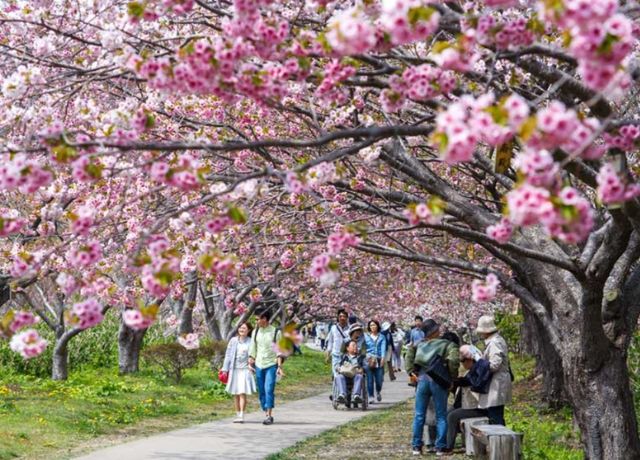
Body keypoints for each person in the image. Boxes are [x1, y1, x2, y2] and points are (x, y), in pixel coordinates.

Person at [406, 319, 459, 456]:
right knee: (441, 415)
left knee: (419, 415)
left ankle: (416, 446)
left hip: (422, 380)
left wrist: (411, 371)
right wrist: (452, 378)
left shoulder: (419, 345)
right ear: (435, 331)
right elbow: (453, 361)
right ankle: (440, 447)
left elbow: (408, 355)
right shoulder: (448, 345)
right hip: (439, 381)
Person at [445, 345, 487, 452]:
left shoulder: (477, 372)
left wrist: (461, 382)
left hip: (477, 408)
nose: (462, 363)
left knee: (452, 416)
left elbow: (473, 384)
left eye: (463, 361)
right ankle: (444, 441)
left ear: (470, 360)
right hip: (467, 405)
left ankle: (449, 446)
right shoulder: (470, 371)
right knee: (446, 414)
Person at [248, 311, 284, 425]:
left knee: (269, 389)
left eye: (258, 319)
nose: (256, 321)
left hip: (271, 365)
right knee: (261, 390)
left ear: (265, 319)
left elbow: (279, 351)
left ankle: (269, 415)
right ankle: (265, 407)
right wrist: (250, 361)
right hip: (259, 364)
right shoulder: (255, 331)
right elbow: (253, 348)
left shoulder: (275, 332)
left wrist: (279, 366)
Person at [476, 315, 512, 426]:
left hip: (497, 382)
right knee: (495, 413)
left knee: (495, 415)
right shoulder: (496, 340)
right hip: (496, 381)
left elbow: (494, 365)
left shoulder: (494, 342)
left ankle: (500, 441)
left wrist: (480, 361)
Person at [221, 322, 257, 423]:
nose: (241, 330)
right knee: (235, 393)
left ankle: (241, 415)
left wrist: (252, 364)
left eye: (244, 328)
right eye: (240, 328)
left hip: (245, 370)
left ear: (248, 330)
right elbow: (228, 355)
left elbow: (253, 355)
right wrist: (225, 369)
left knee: (242, 393)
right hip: (234, 370)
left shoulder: (251, 342)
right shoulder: (233, 340)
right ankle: (237, 414)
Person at [334, 340, 366, 404]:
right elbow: (336, 366)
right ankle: (342, 395)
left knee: (359, 376)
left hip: (355, 376)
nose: (356, 347)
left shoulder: (361, 357)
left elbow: (365, 366)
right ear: (348, 348)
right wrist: (338, 368)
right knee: (339, 376)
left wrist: (362, 369)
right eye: (353, 345)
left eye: (356, 346)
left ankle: (356, 395)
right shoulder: (343, 357)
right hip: (345, 376)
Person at [364, 320, 387, 403]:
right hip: (369, 360)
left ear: (377, 326)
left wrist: (383, 358)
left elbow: (383, 348)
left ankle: (378, 391)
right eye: (371, 325)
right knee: (369, 379)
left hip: (379, 359)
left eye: (374, 325)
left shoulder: (382, 337)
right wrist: (366, 356)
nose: (373, 327)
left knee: (379, 380)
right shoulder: (366, 337)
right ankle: (370, 396)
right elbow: (364, 348)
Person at [326, 309, 350, 376]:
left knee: (345, 375)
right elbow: (330, 341)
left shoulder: (350, 329)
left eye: (344, 316)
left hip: (347, 356)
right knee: (336, 375)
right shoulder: (333, 328)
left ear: (347, 318)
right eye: (340, 316)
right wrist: (328, 354)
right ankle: (336, 386)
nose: (342, 318)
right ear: (338, 317)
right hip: (336, 355)